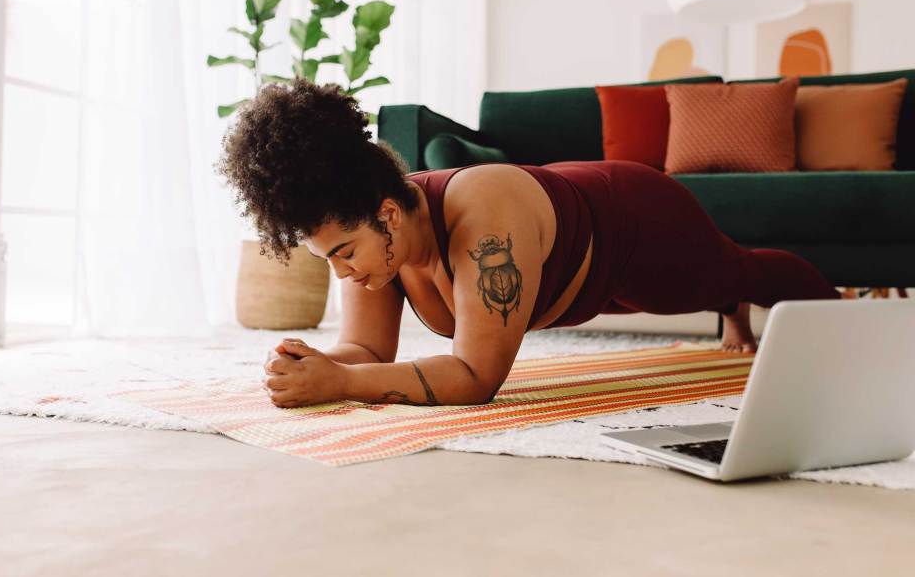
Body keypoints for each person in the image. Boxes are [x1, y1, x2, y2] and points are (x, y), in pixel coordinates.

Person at [216, 79, 841, 409]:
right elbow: (363, 348)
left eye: (346, 251)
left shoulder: (481, 215)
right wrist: (317, 369)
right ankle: (733, 306)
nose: (345, 273)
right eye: (331, 260)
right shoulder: (379, 242)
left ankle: (838, 317)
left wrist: (345, 387)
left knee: (735, 275)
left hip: (636, 222)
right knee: (712, 285)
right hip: (569, 247)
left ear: (387, 212)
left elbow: (476, 377)